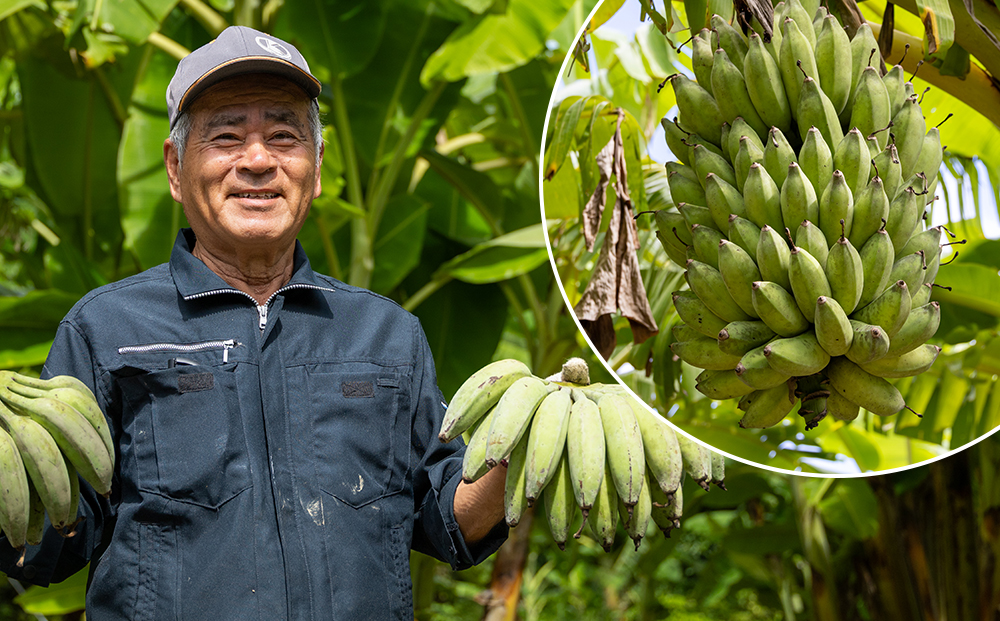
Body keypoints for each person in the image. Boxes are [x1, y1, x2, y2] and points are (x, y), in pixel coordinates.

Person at [0, 26, 509, 620]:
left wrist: (525, 447)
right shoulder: (107, 330)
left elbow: (449, 518)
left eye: (283, 135)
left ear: (315, 168)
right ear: (173, 166)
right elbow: (47, 542)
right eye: (225, 136)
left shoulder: (387, 335)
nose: (259, 160)